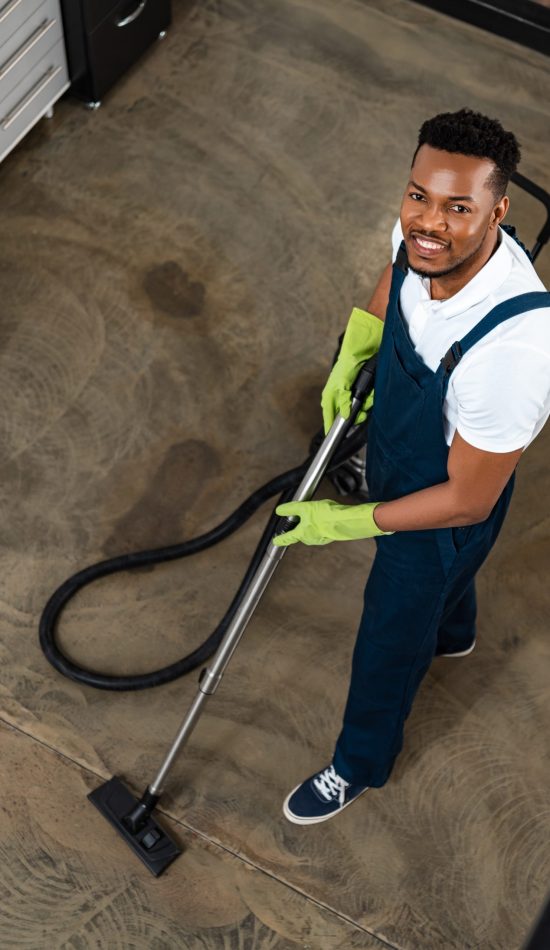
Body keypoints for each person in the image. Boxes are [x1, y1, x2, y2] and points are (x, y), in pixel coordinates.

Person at [272, 108, 550, 825]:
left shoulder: (515, 351)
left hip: (447, 509)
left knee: (389, 645)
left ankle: (357, 764)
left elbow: (467, 502)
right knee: (446, 596)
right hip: (404, 456)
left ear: (499, 211)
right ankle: (454, 632)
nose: (429, 221)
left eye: (460, 207)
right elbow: (393, 271)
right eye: (419, 195)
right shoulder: (423, 237)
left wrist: (348, 522)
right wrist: (356, 347)